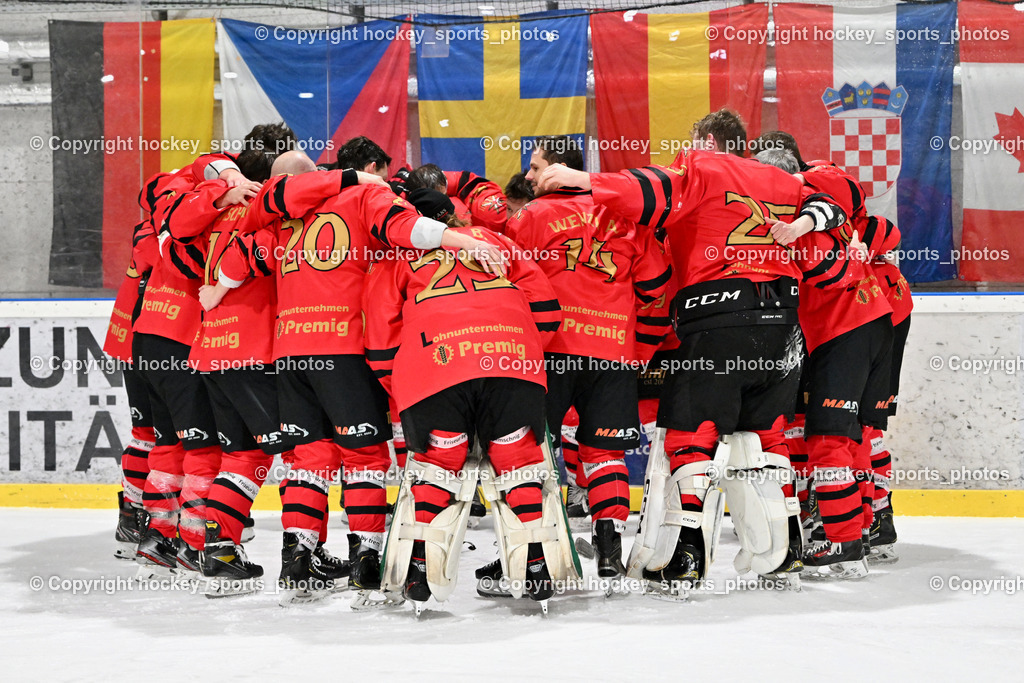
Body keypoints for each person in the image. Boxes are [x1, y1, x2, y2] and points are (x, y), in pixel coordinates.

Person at [537, 109, 851, 593]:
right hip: (784, 326)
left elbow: (649, 189)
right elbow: (834, 223)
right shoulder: (782, 180)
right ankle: (785, 549)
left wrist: (582, 179)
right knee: (767, 436)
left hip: (718, 319)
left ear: (705, 140)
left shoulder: (703, 166)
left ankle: (685, 557)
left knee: (692, 437)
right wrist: (805, 225)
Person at [204, 158, 507, 605]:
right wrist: (461, 238)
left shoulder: (284, 215)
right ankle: (366, 561)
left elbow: (238, 256)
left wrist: (216, 290)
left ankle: (298, 562)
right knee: (364, 457)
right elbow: (408, 228)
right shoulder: (364, 196)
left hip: (290, 351)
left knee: (309, 460)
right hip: (344, 348)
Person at [363, 189, 570, 612]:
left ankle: (420, 569)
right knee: (518, 460)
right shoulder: (498, 241)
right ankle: (535, 565)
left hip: (435, 366)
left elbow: (379, 336)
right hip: (510, 358)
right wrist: (517, 351)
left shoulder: (392, 257)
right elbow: (548, 312)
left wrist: (404, 385)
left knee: (439, 463)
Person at [508, 135, 673, 577]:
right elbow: (657, 289)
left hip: (550, 353)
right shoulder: (627, 217)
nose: (528, 175)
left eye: (535, 167)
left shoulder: (529, 216)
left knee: (533, 451)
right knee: (605, 453)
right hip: (612, 353)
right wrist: (637, 348)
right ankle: (609, 549)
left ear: (558, 167)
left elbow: (508, 286)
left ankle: (537, 555)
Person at [757, 146, 899, 578]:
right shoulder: (824, 200)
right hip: (875, 319)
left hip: (844, 332)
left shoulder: (797, 212)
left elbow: (832, 271)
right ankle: (863, 529)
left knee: (827, 440)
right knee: (854, 435)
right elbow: (880, 230)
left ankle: (844, 541)